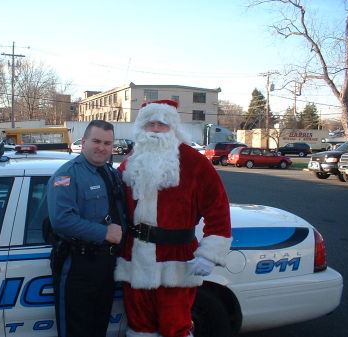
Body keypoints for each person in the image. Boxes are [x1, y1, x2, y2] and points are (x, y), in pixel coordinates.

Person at [115, 100, 232, 337]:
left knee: (175, 327)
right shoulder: (130, 162)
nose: (156, 129)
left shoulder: (194, 162)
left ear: (174, 128)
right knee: (139, 326)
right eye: (150, 124)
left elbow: (217, 209)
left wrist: (209, 255)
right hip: (135, 258)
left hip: (177, 260)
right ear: (142, 128)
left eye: (162, 124)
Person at [47, 120, 126, 337]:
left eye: (107, 143)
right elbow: (61, 220)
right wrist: (105, 233)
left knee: (98, 327)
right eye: (96, 141)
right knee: (76, 330)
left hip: (106, 266)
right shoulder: (66, 175)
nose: (102, 147)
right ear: (83, 142)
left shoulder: (112, 174)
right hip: (78, 266)